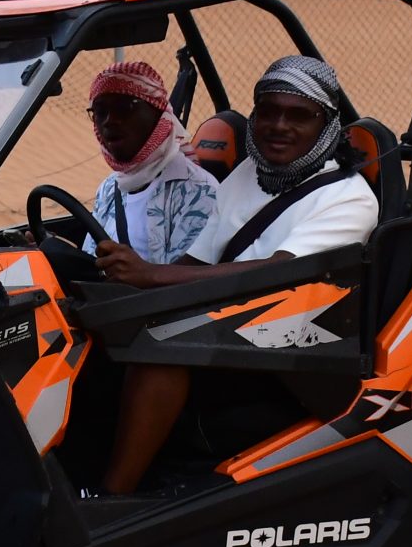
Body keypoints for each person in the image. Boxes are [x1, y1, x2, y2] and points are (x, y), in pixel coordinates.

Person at [92, 54, 380, 494]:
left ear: (327, 125)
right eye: (268, 111)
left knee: (159, 354)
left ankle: (110, 502)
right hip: (233, 333)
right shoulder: (251, 172)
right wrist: (129, 288)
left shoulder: (349, 199)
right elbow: (199, 261)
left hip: (291, 358)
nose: (279, 126)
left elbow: (278, 274)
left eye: (298, 115)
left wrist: (151, 276)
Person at [85, 60, 216, 264]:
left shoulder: (197, 191)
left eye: (124, 108)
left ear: (158, 113)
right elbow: (90, 260)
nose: (109, 121)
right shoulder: (109, 189)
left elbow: (184, 285)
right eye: (100, 112)